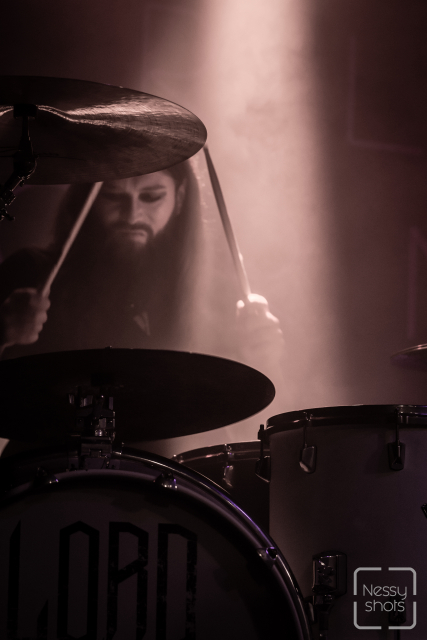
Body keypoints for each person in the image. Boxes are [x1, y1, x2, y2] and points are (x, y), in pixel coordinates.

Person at [0, 157, 284, 453]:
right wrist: (2, 333)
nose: (132, 214)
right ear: (88, 199)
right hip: (44, 471)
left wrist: (264, 362)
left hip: (173, 476)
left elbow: (251, 436)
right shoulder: (31, 276)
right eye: (113, 196)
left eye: (151, 197)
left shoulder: (213, 297)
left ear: (179, 197)